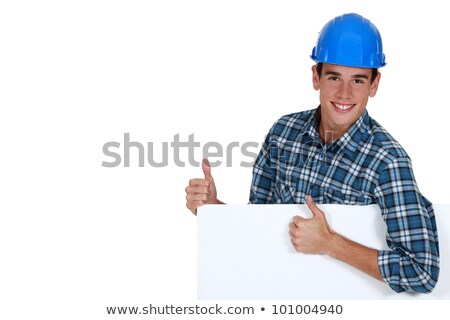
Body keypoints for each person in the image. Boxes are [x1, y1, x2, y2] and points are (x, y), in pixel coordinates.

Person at [185, 13, 439, 293]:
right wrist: (212, 209)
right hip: (278, 296)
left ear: (374, 85)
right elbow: (258, 226)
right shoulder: (283, 134)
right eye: (334, 77)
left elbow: (421, 272)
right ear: (315, 77)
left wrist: (331, 243)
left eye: (357, 80)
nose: (344, 93)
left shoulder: (388, 162)